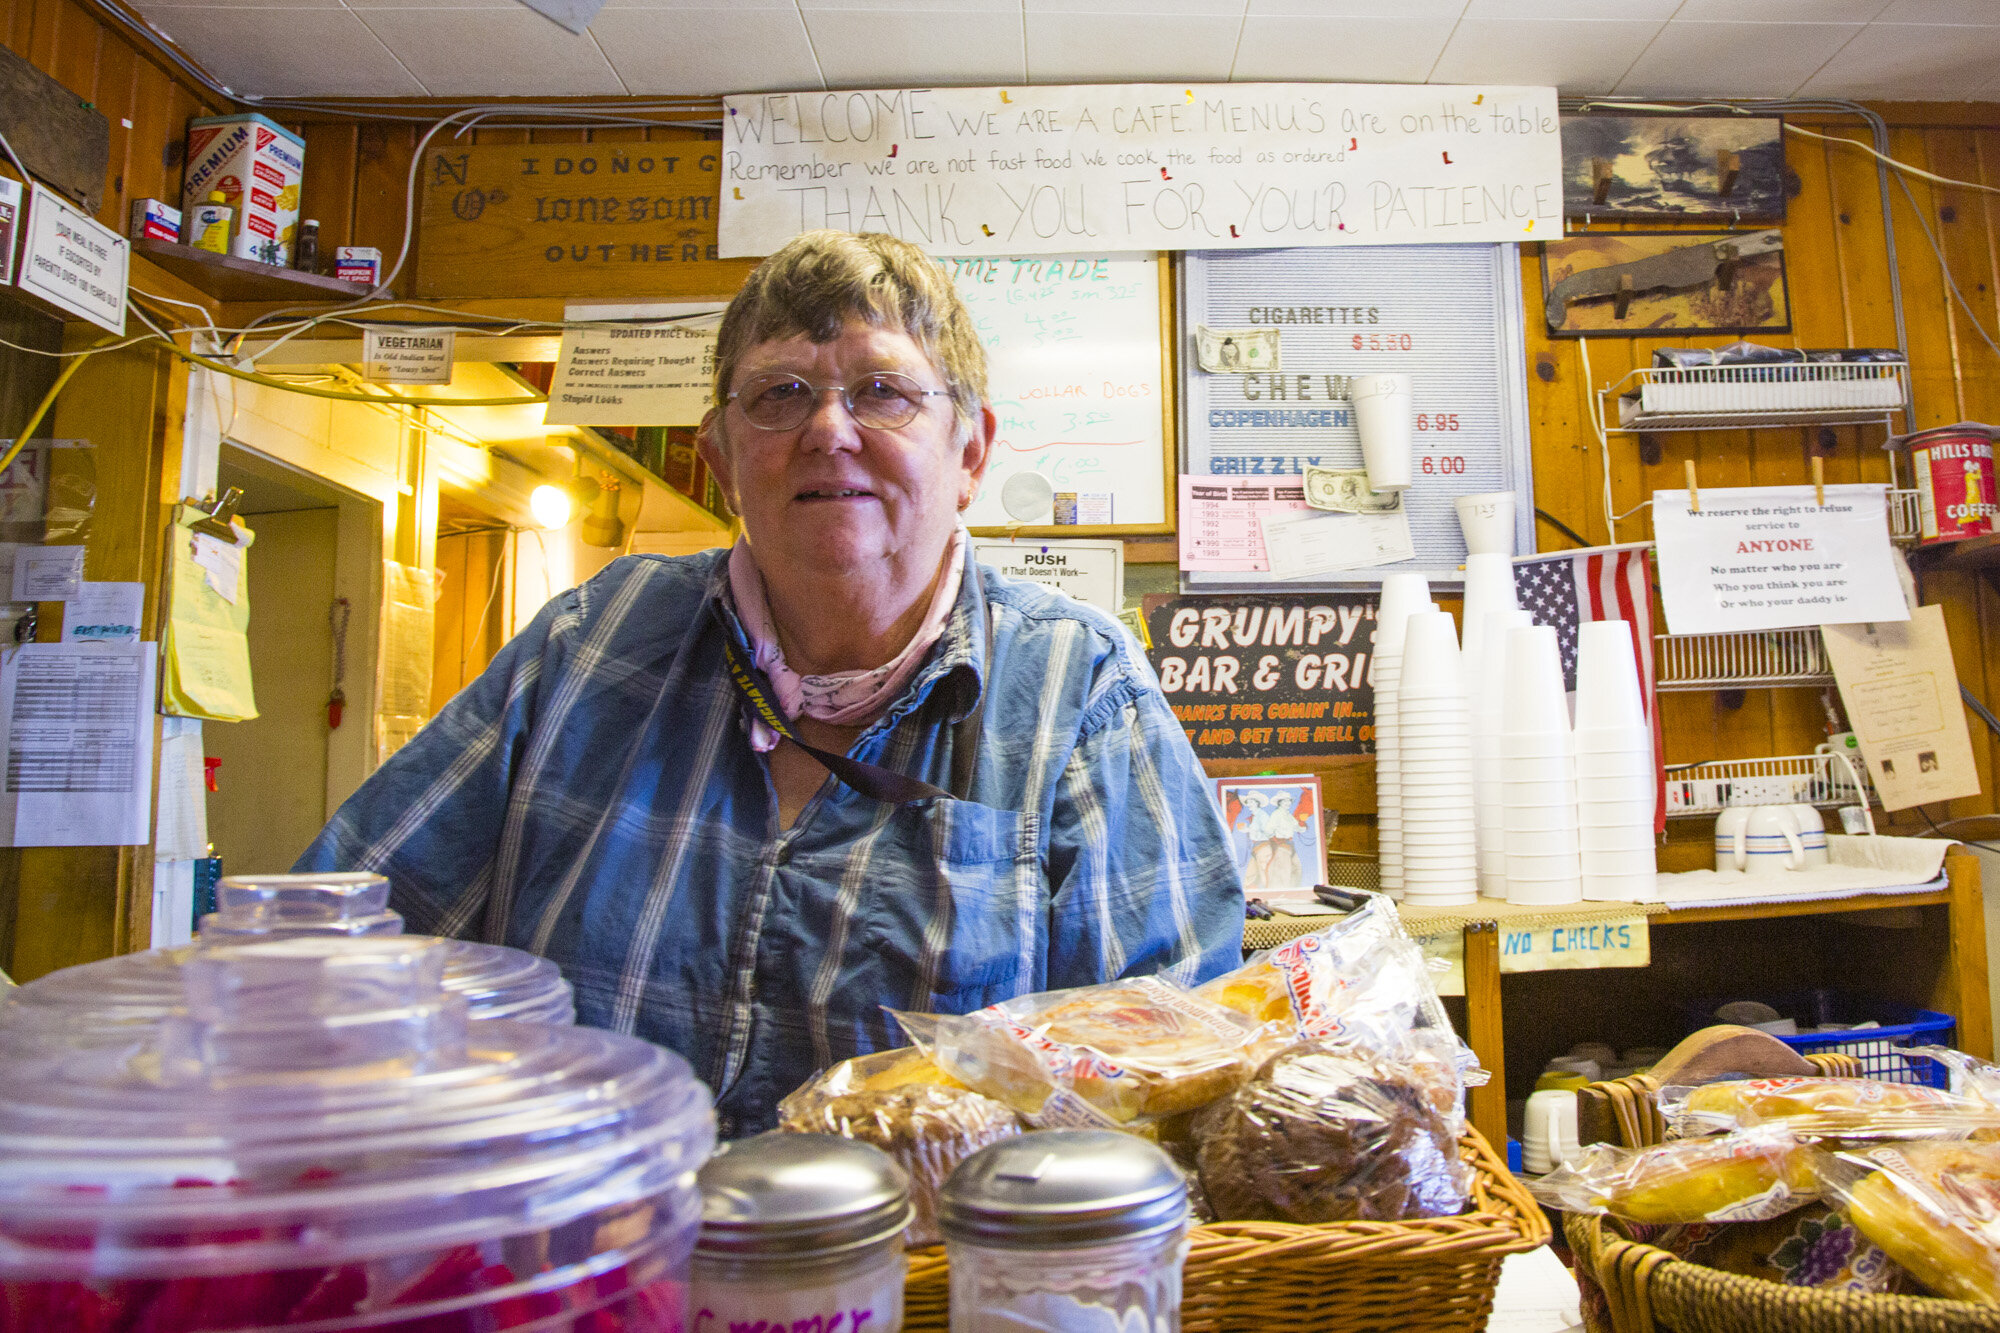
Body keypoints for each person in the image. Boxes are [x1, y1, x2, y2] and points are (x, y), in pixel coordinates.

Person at [297, 230, 1245, 1135]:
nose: (829, 429)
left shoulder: (1078, 688)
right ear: (720, 460)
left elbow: (1179, 1077)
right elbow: (330, 952)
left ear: (970, 453)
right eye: (780, 394)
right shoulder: (590, 646)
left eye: (883, 391)